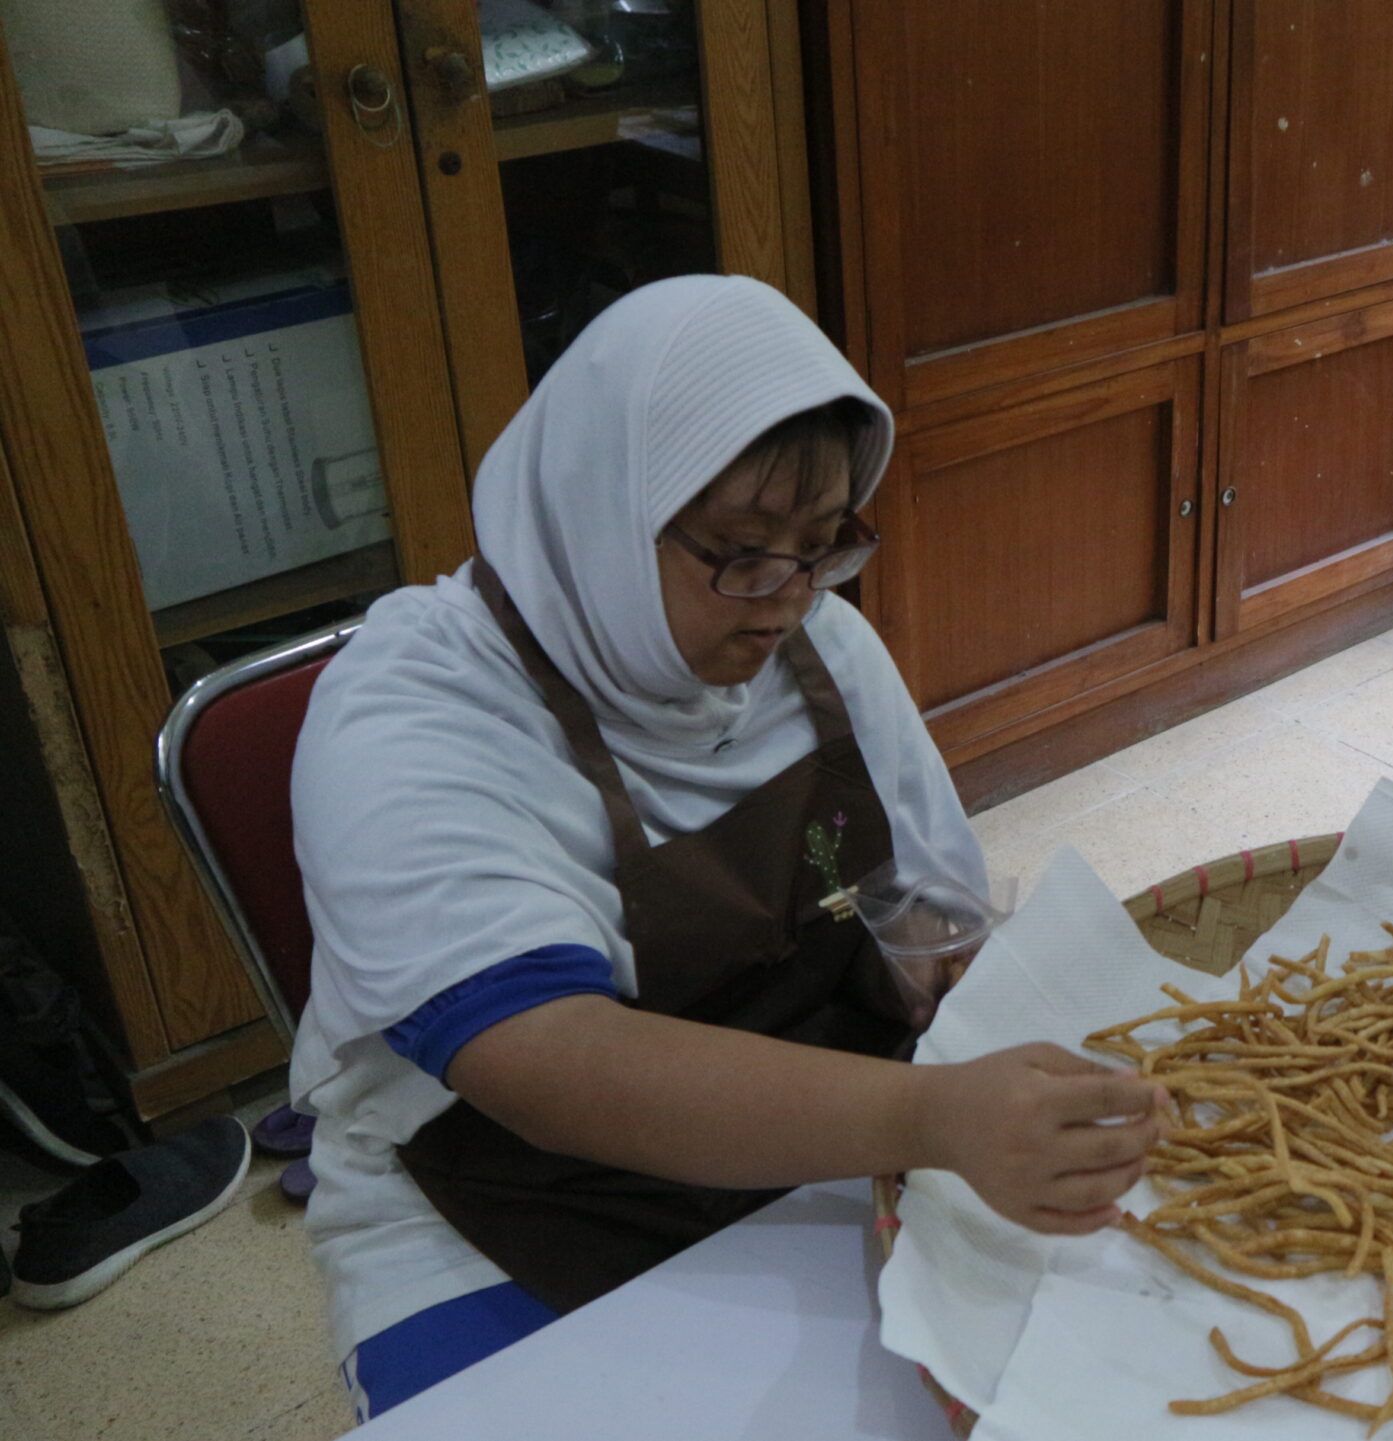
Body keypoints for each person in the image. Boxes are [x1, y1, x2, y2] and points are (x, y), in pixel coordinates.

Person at [289, 276, 1165, 1419]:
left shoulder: (820, 650)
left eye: (821, 548)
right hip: (507, 1193)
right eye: (743, 552)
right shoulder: (413, 712)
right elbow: (546, 1068)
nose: (786, 601)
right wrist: (932, 1117)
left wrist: (927, 967)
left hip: (815, 1131)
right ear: (602, 505)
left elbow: (928, 903)